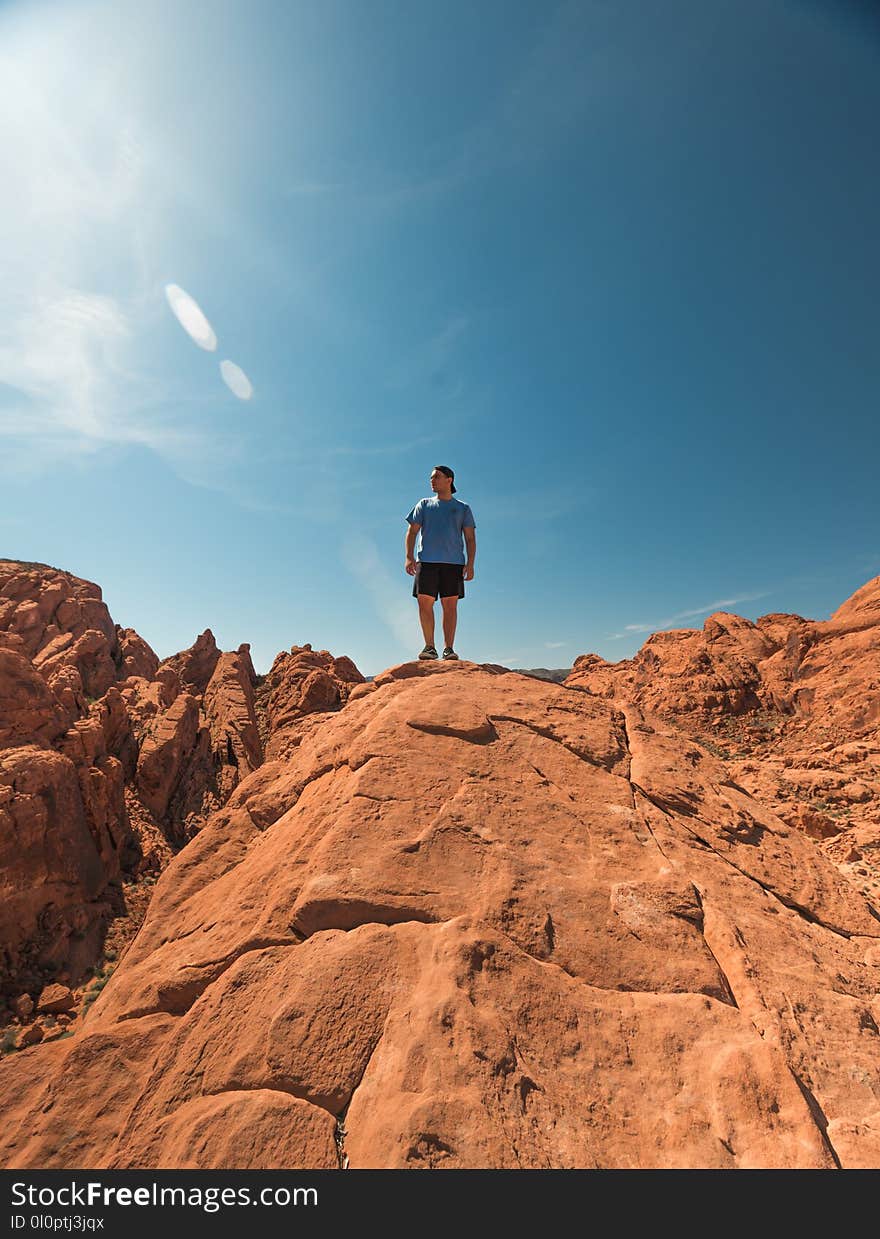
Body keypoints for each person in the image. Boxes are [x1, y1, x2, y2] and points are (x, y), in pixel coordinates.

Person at [405, 465, 476, 661]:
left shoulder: (462, 508)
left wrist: (470, 564)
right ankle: (429, 647)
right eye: (431, 478)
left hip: (453, 564)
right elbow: (412, 531)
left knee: (450, 606)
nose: (432, 481)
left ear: (449, 480)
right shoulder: (424, 504)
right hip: (426, 561)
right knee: (424, 603)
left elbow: (470, 538)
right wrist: (409, 557)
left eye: (436, 477)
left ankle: (448, 649)